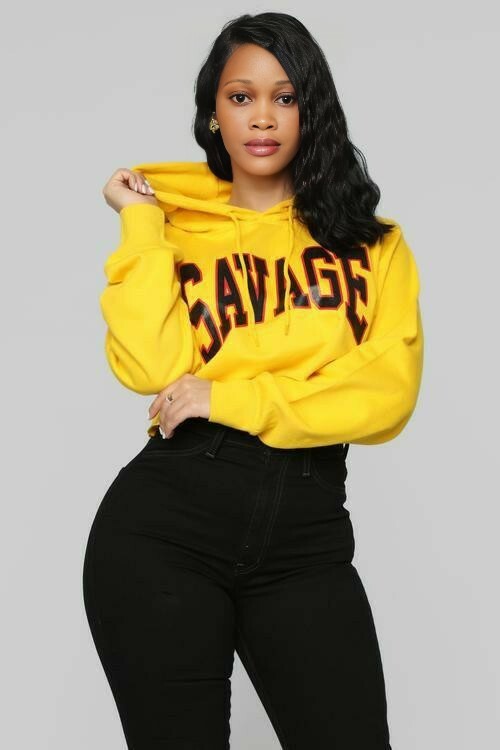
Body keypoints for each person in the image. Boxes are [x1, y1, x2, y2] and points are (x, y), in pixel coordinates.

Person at [82, 11, 424, 749]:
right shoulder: (175, 230)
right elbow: (149, 366)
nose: (262, 117)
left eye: (284, 96)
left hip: (307, 534)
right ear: (214, 112)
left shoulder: (372, 246)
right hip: (166, 527)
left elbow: (386, 392)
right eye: (241, 97)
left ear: (311, 110)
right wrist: (140, 223)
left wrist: (228, 394)